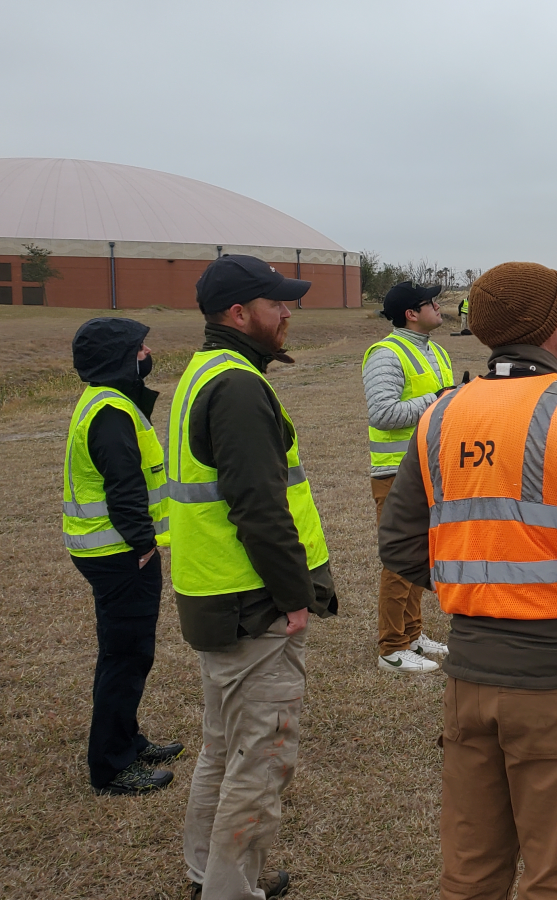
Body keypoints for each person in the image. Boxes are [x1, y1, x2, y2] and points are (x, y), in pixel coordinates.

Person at [378, 262, 557, 899]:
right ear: (549, 324)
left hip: (469, 676)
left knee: (470, 871)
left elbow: (398, 542)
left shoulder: (445, 412)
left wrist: (475, 586)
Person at [169, 254, 338, 900]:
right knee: (260, 760)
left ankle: (206, 874)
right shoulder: (238, 386)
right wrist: (294, 598)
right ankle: (230, 891)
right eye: (278, 304)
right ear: (240, 314)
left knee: (224, 749)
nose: (289, 312)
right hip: (252, 607)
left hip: (218, 601)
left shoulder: (208, 372)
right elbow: (259, 507)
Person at [62, 317, 183, 796]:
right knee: (125, 657)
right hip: (119, 553)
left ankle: (128, 741)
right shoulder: (112, 412)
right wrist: (143, 544)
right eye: (138, 347)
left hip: (112, 550)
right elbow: (124, 487)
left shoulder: (108, 401)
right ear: (118, 357)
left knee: (131, 654)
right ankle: (112, 765)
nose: (147, 352)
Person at [364, 280, 454, 675]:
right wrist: (439, 399)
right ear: (411, 314)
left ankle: (413, 634)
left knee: (421, 556)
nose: (438, 306)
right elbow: (382, 413)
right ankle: (391, 646)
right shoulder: (386, 354)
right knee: (399, 561)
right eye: (430, 302)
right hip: (396, 473)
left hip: (429, 471)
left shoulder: (435, 350)